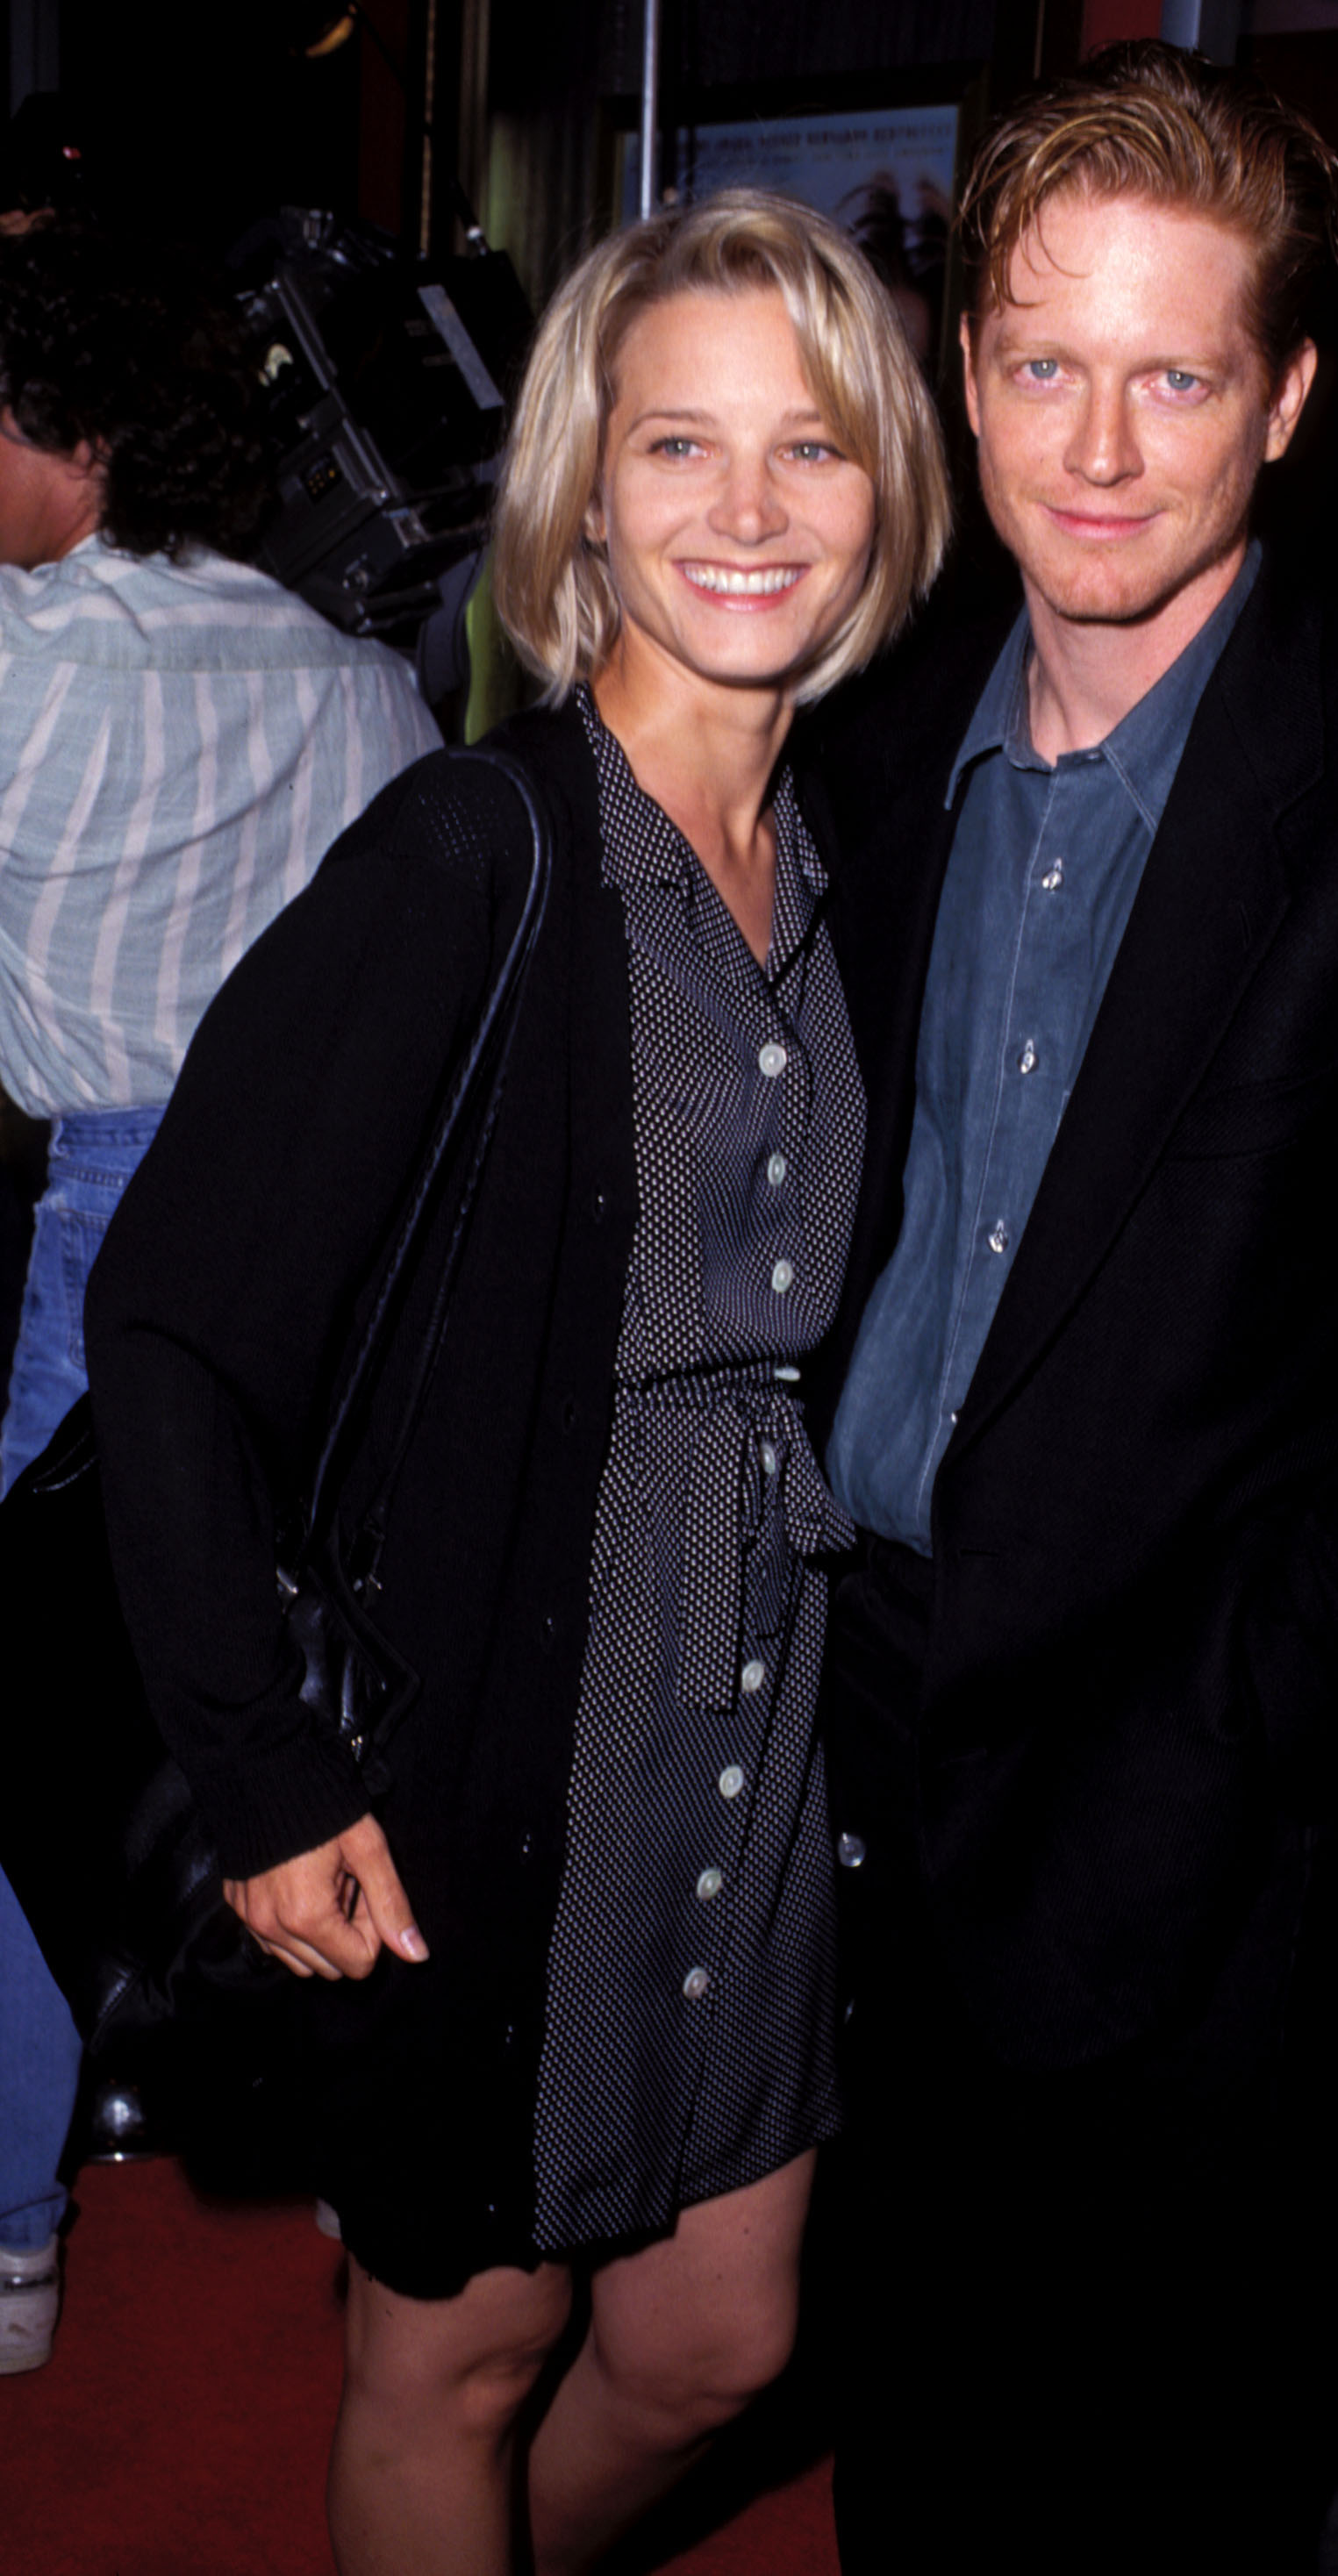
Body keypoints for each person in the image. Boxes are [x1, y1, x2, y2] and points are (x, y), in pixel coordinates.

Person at [82, 192, 948, 2572]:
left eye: (811, 449)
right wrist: (266, 1774)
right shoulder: (471, 851)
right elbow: (165, 1327)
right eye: (680, 445)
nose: (748, 512)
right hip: (499, 1717)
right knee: (452, 2348)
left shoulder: (852, 854)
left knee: (718, 2345)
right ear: (586, 483)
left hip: (755, 1726)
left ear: (892, 489)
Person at [806, 41, 1338, 2568]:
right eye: (1044, 363)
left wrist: (1267, 1758)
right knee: (912, 2426)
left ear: (1284, 397)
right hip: (867, 1761)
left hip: (1212, 1826)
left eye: (1177, 375)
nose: (1101, 446)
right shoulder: (873, 729)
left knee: (1162, 2480)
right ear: (964, 375)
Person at [0, 220, 439, 2376]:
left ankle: (4, 2227)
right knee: (305, 1703)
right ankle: (383, 2151)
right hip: (346, 1231)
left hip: (112, 1223)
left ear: (65, 442)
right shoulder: (356, 670)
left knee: (24, 1724)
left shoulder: (19, 667)